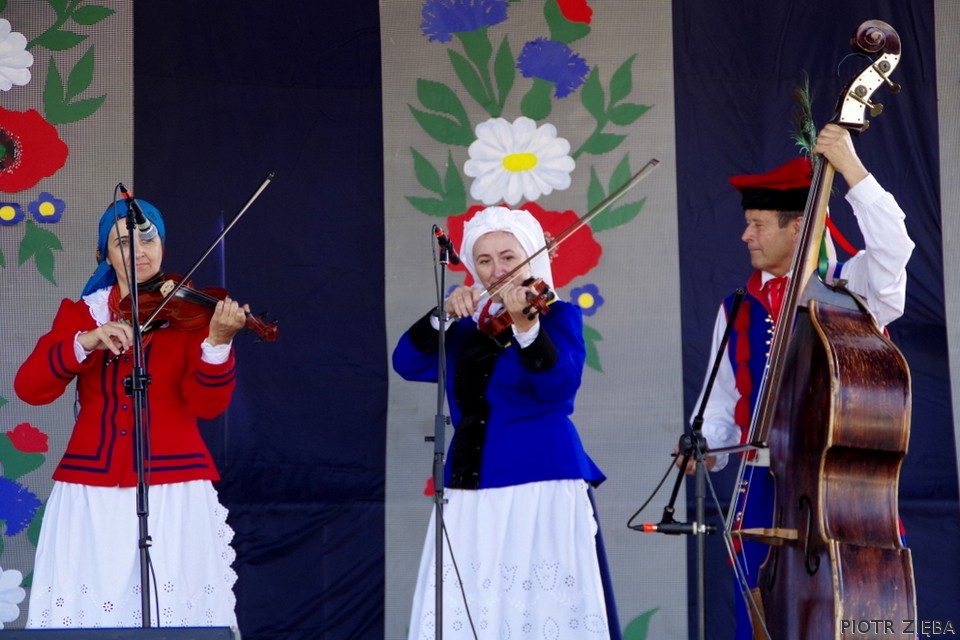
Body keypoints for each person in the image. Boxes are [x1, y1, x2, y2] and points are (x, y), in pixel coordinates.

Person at [684, 123, 914, 639]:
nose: (745, 235)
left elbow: (895, 250)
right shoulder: (736, 308)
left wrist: (852, 170)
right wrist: (703, 445)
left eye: (757, 224)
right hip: (760, 493)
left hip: (838, 497)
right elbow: (721, 408)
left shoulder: (850, 290)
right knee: (761, 622)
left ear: (797, 230)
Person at [14, 199, 249, 630]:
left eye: (148, 239)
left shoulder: (191, 316)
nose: (139, 250)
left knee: (176, 612)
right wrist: (85, 341)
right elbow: (29, 388)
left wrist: (217, 343)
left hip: (174, 488)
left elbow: (208, 405)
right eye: (122, 242)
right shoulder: (83, 314)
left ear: (163, 247)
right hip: (91, 489)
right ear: (103, 255)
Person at [393, 205, 621, 640]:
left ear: (532, 259)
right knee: (472, 608)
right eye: (484, 260)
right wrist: (443, 315)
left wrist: (527, 328)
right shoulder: (465, 329)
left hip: (540, 482)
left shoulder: (557, 316)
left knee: (540, 609)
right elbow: (406, 362)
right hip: (469, 484)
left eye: (508, 257)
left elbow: (559, 389)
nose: (496, 270)